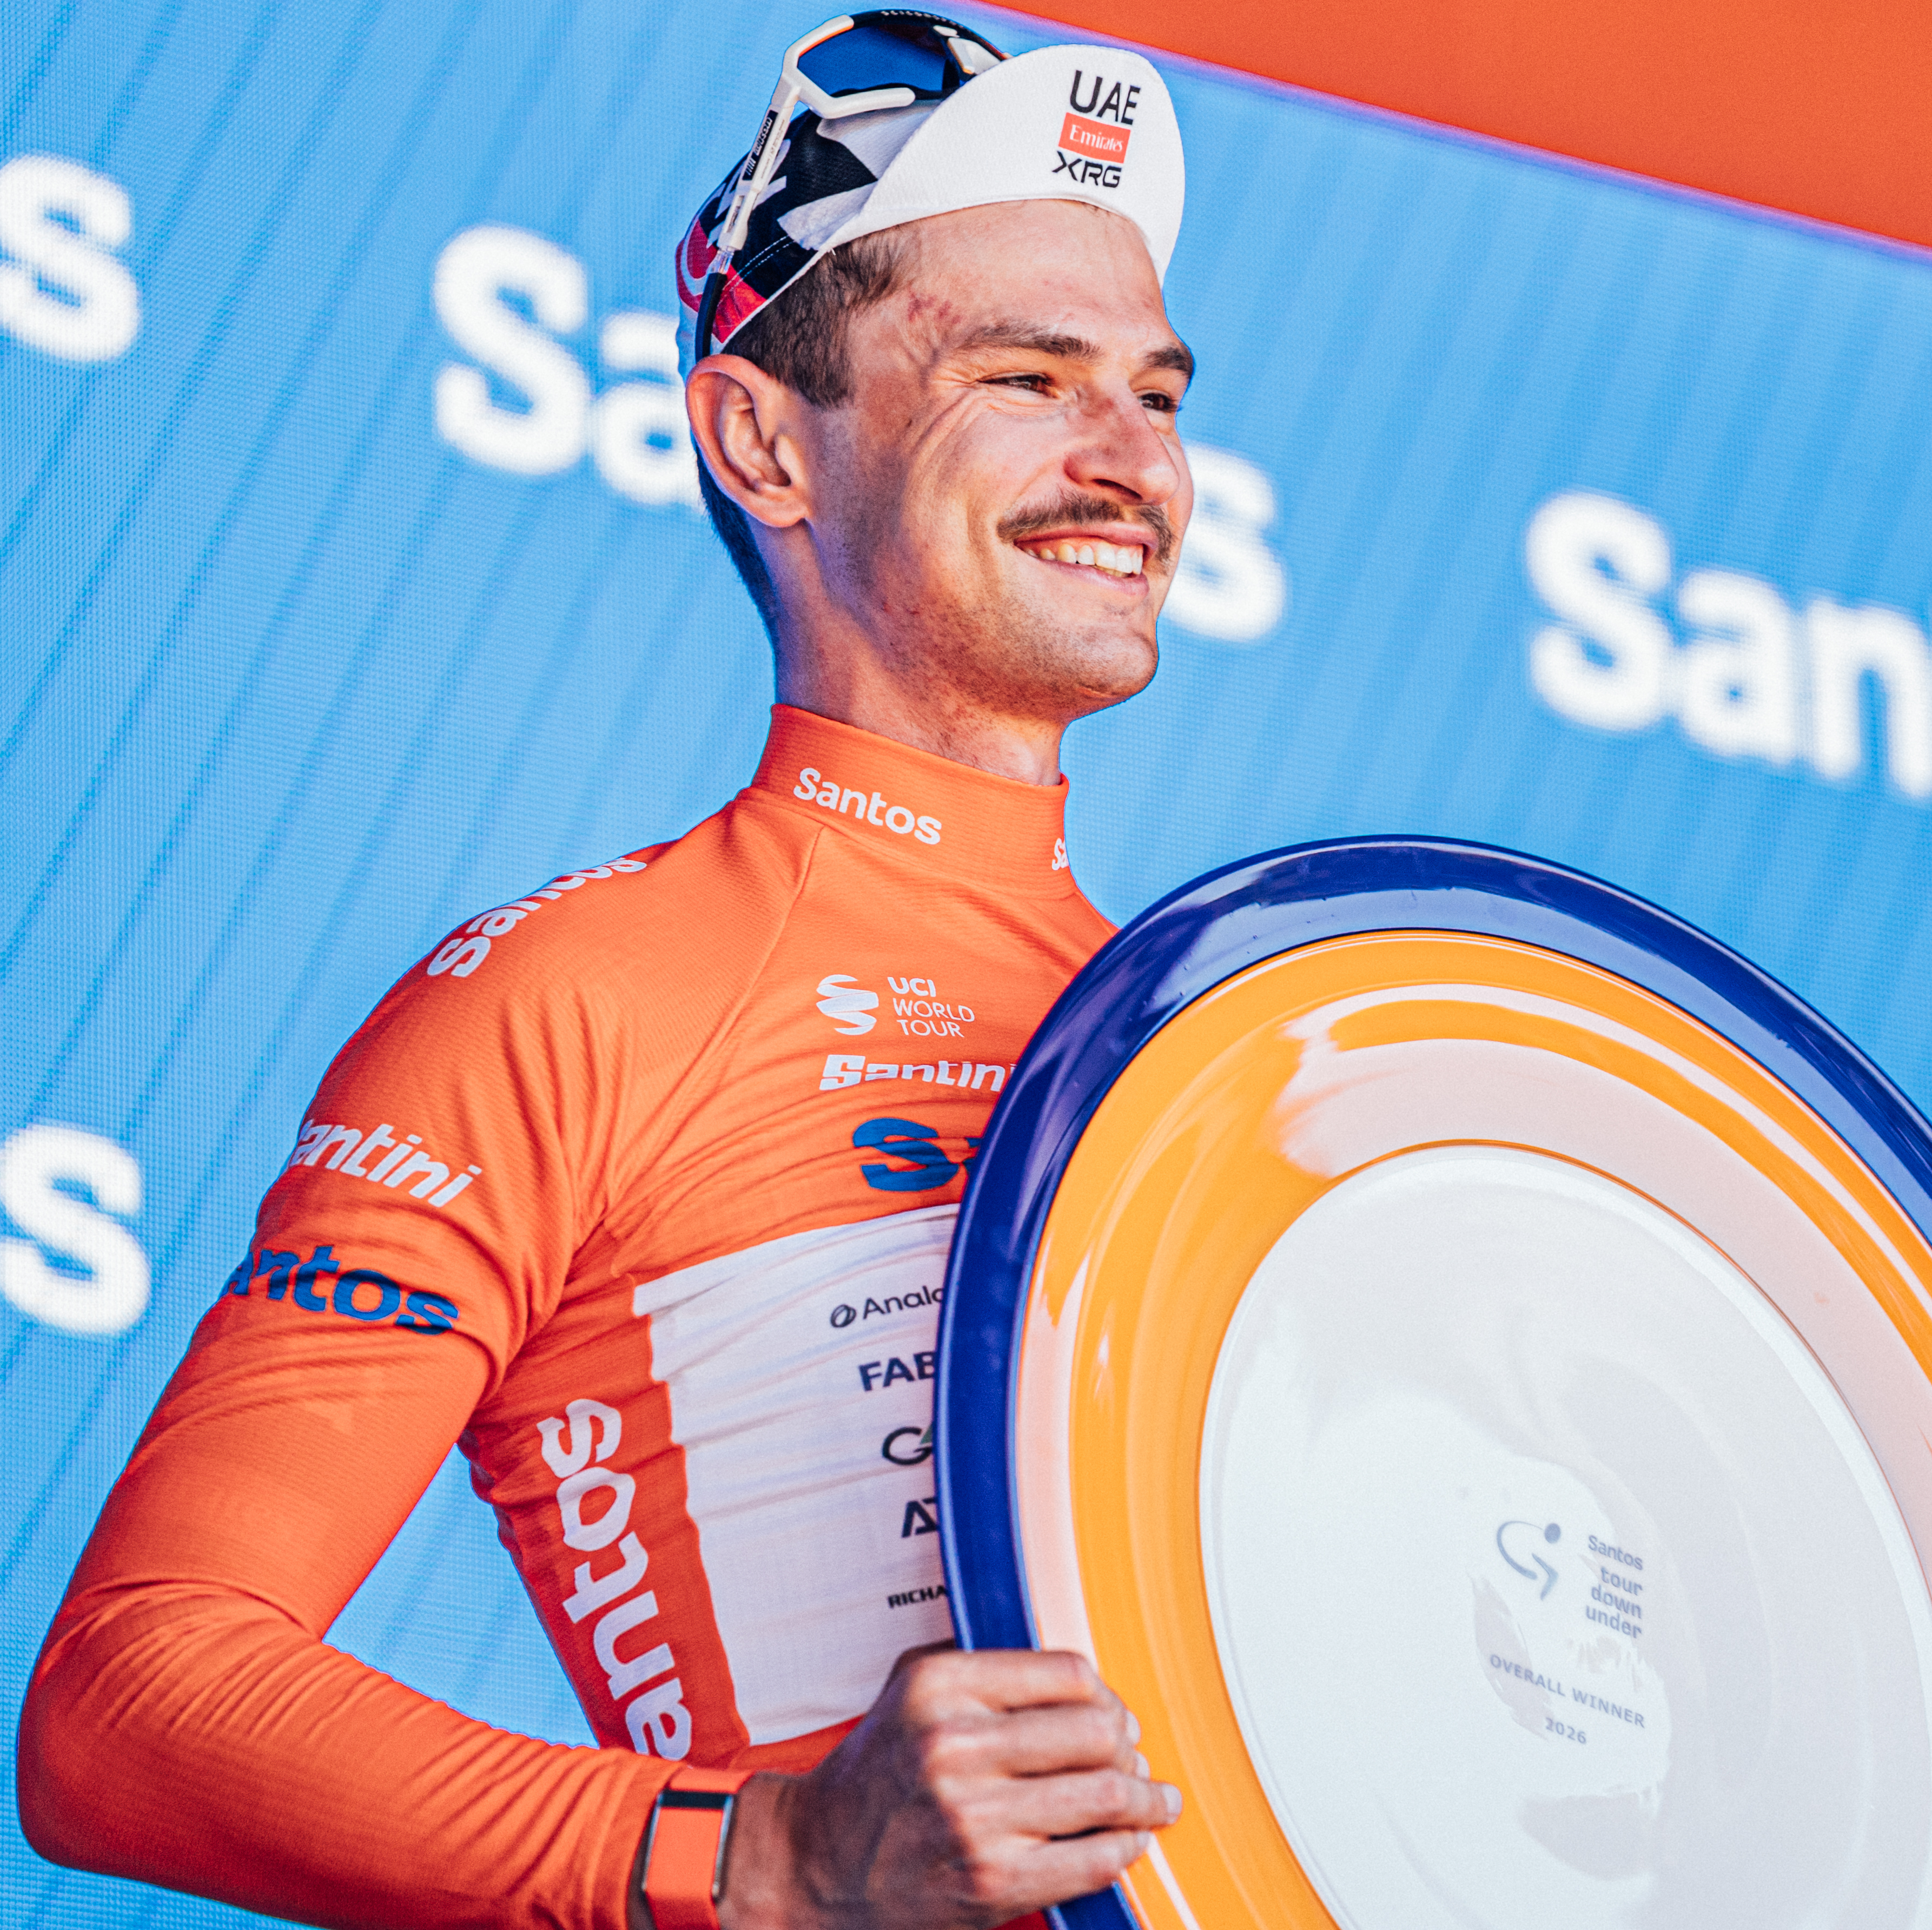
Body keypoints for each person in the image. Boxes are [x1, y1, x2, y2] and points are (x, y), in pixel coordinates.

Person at [21, 15, 1199, 1927]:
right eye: (1026, 377)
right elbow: (126, 1709)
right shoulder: (582, 995)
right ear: (762, 440)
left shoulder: (1213, 1053)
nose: (1132, 458)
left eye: (1156, 392)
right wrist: (772, 1857)